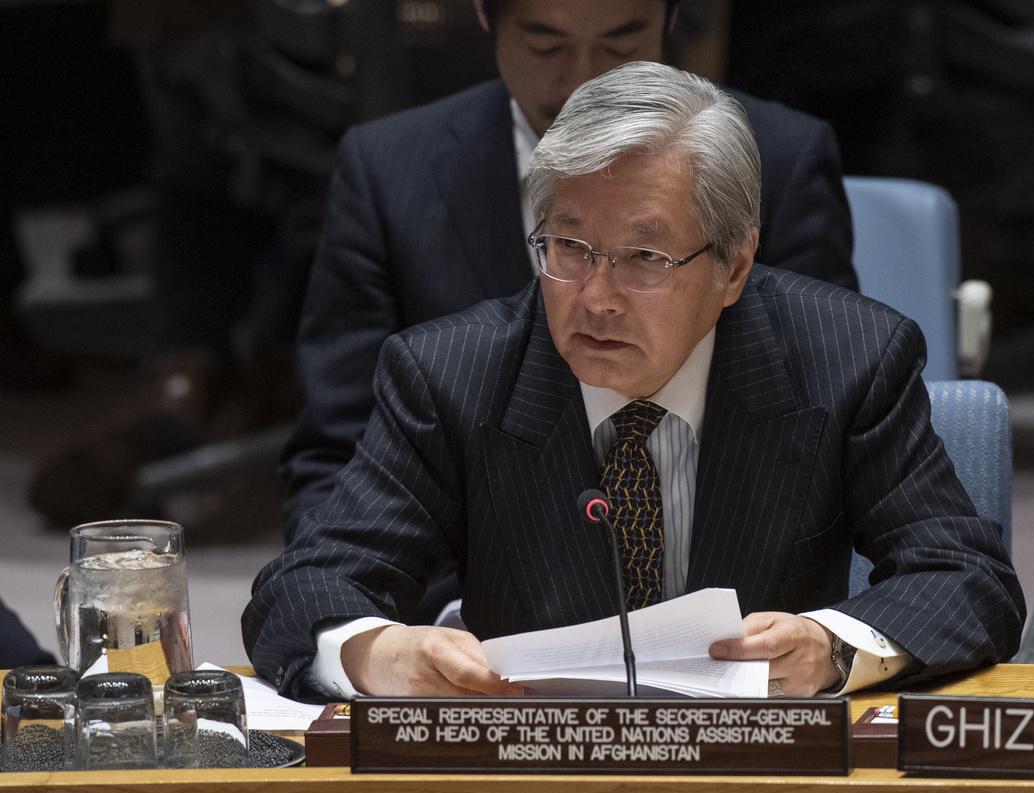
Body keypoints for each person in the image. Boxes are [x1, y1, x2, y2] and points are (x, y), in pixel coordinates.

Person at [243, 61, 1024, 701]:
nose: (596, 297)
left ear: (734, 266)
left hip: (762, 771)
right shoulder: (452, 375)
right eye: (569, 248)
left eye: (645, 258)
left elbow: (966, 577)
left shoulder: (847, 359)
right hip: (533, 770)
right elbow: (305, 586)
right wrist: (378, 653)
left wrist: (832, 647)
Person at [280, 0, 859, 550]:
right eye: (546, 45)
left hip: (721, 573)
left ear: (670, 19)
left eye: (620, 44)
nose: (583, 82)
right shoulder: (388, 172)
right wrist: (427, 609)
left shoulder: (778, 158)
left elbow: (822, 421)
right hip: (459, 591)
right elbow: (338, 457)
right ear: (487, 16)